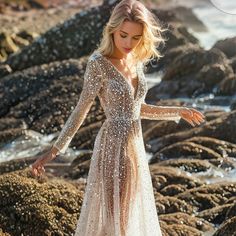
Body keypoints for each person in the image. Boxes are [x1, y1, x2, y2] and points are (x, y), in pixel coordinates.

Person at [30, 0, 205, 235]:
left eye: (135, 38)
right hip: (112, 145)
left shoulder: (136, 61)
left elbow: (138, 109)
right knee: (117, 220)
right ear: (112, 30)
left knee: (127, 215)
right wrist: (54, 151)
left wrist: (178, 112)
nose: (128, 43)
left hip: (134, 145)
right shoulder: (98, 64)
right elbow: (80, 110)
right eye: (123, 35)